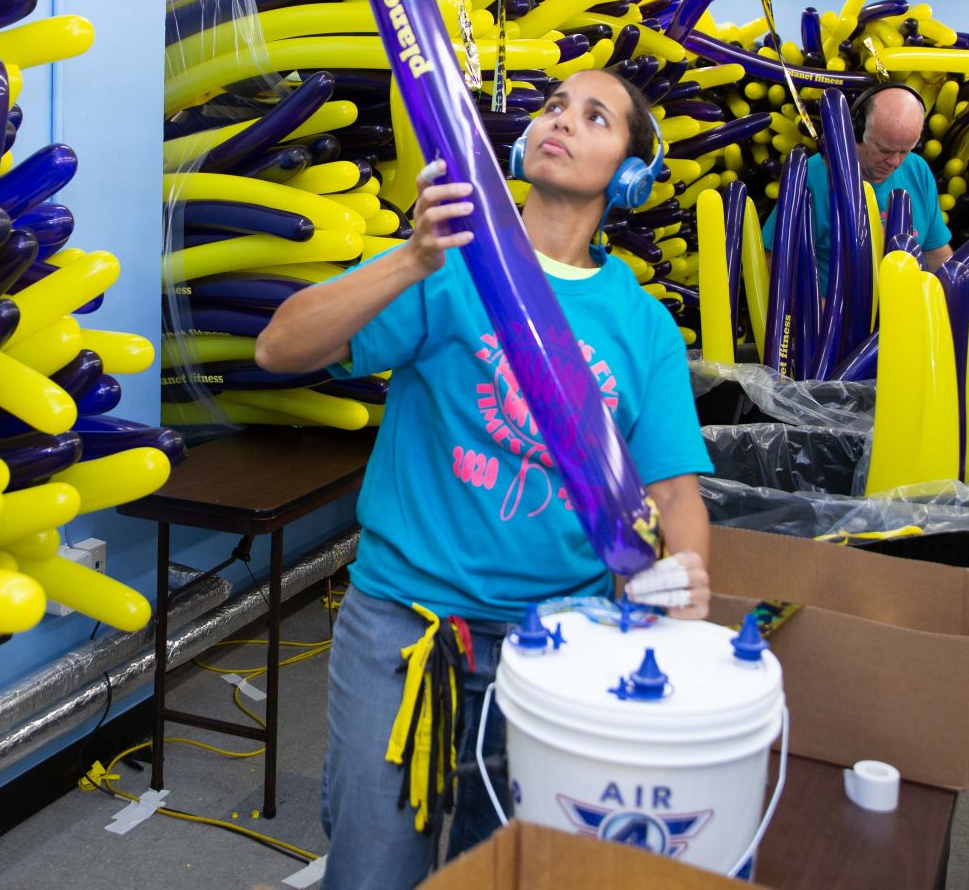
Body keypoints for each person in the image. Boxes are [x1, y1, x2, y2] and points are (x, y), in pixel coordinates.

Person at [255, 68, 716, 890]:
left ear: (631, 172)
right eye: (552, 106)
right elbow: (279, 348)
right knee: (371, 871)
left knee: (498, 870)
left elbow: (675, 490)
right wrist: (409, 258)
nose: (562, 121)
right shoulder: (451, 265)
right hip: (404, 628)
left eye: (595, 115)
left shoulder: (643, 325)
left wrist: (686, 581)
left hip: (558, 646)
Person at [763, 83, 953, 275]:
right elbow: (770, 259)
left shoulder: (917, 168)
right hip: (831, 303)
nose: (895, 162)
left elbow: (936, 253)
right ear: (856, 130)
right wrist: (816, 305)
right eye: (885, 150)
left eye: (905, 151)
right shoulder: (810, 178)